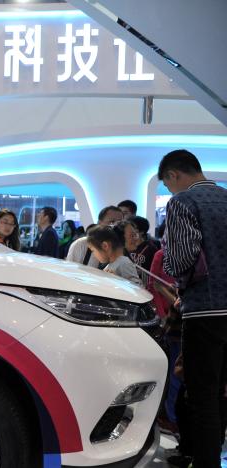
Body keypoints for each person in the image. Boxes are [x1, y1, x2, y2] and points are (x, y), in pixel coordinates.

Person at [159, 149, 227, 468]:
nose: (170, 192)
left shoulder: (183, 203)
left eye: (168, 185)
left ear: (174, 175)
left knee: (202, 396)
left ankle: (206, 463)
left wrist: (169, 258)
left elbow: (182, 260)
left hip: (204, 312)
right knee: (222, 393)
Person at [122, 216, 157, 285]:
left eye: (134, 232)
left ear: (141, 232)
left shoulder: (151, 248)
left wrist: (142, 272)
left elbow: (154, 273)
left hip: (143, 285)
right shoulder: (125, 247)